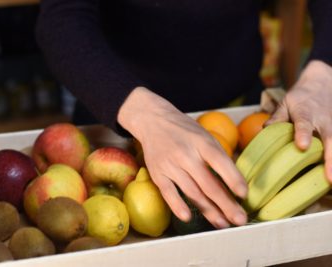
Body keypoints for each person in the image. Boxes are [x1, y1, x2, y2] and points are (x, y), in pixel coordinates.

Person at [35, 0, 332, 229]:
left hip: (239, 112)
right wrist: (143, 113)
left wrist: (324, 69)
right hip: (116, 118)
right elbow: (62, 16)